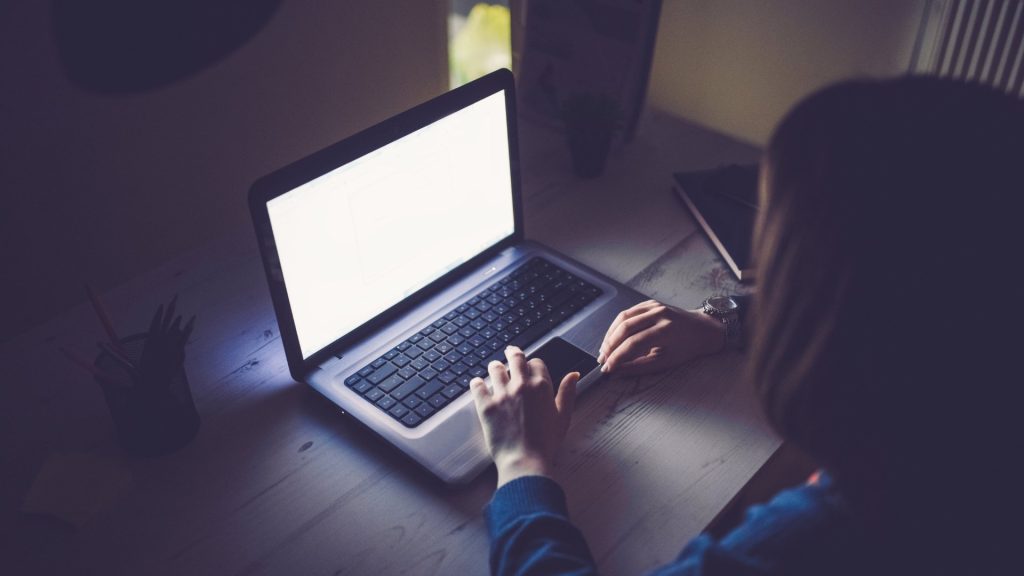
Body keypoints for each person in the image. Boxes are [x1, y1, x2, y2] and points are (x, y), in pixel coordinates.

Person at [469, 76, 1024, 575]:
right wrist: (725, 321)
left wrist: (523, 467)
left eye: (778, 260)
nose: (763, 284)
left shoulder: (823, 536)